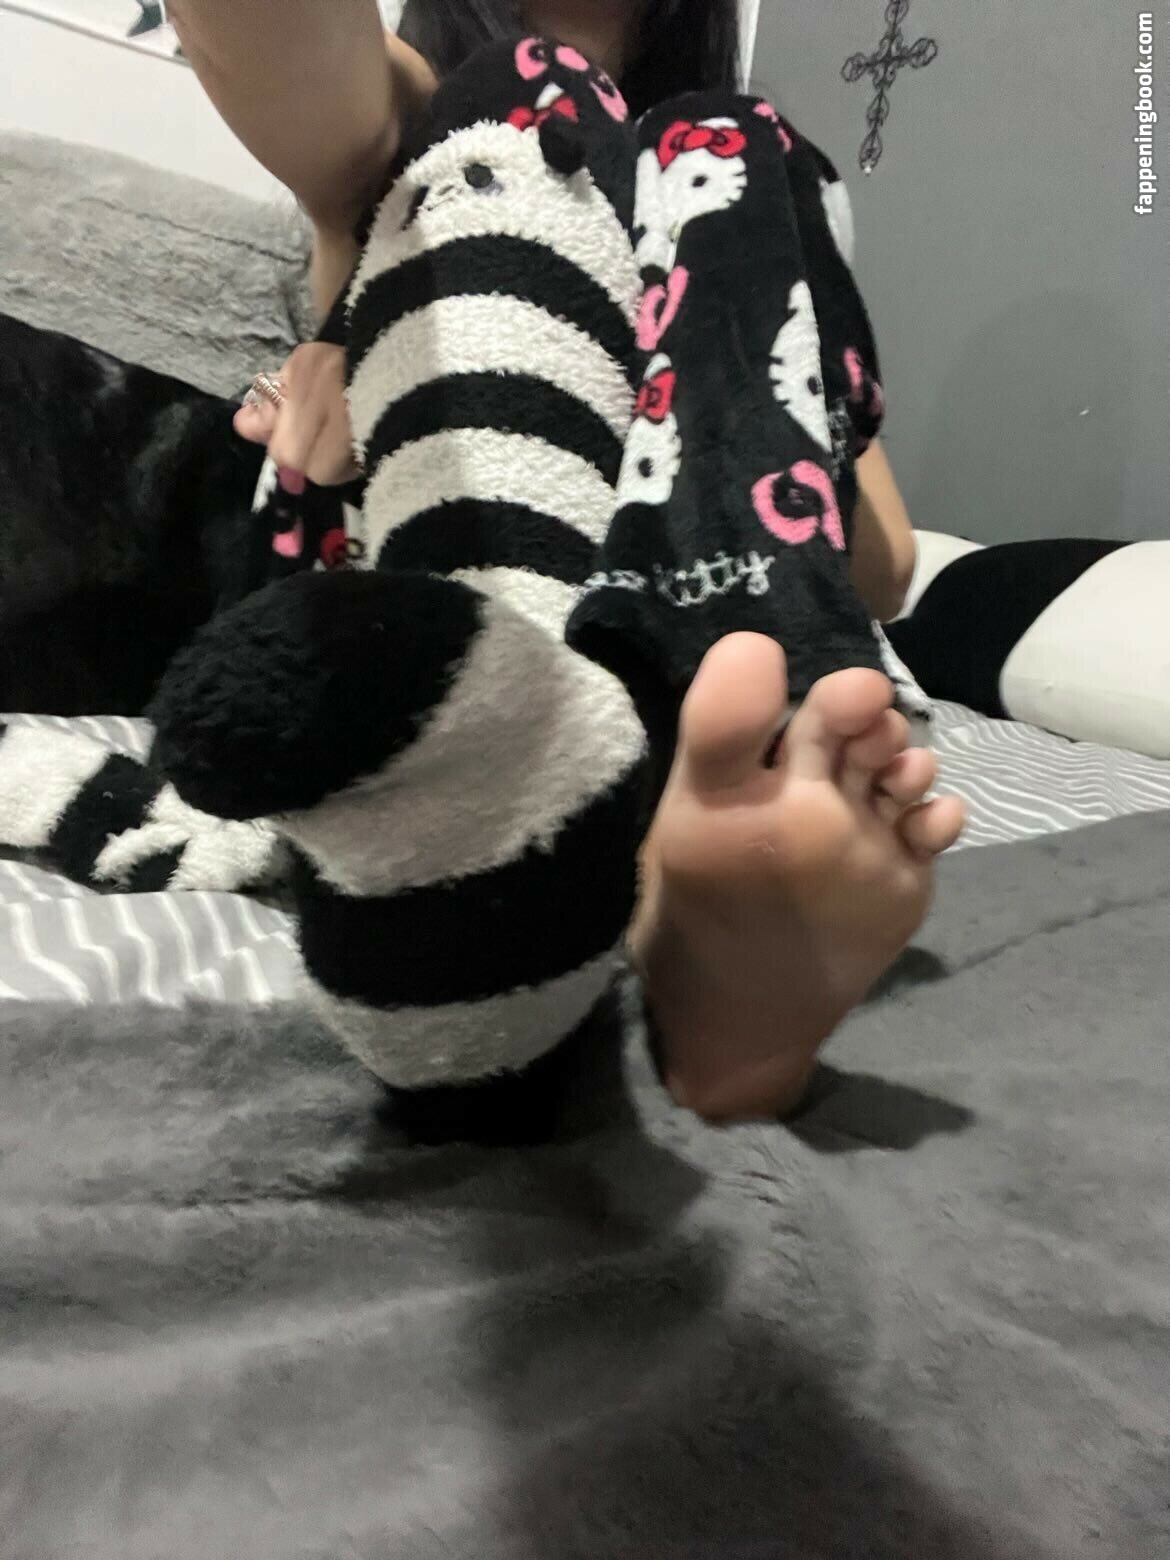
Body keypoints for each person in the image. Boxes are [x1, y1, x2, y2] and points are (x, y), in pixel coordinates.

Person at [166, 0, 966, 1121]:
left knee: (730, 145)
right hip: (454, 626)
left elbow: (883, 567)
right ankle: (659, 898)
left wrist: (705, 381)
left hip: (689, 650)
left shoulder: (727, 179)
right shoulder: (421, 123)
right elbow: (283, 46)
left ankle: (687, 904)